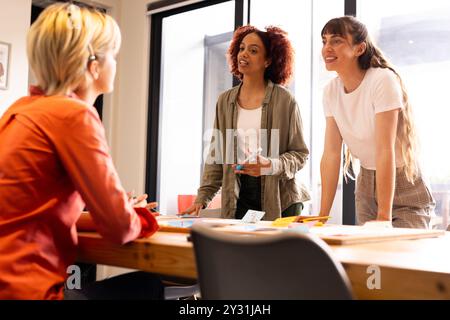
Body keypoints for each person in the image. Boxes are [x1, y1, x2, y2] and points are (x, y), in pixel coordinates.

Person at [0, 3, 162, 299]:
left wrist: (117, 212)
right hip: (25, 291)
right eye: (112, 54)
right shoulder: (74, 115)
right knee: (149, 285)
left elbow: (34, 213)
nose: (116, 62)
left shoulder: (19, 111)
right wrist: (136, 216)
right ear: (93, 64)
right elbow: (120, 229)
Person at [182, 25, 310, 221]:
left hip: (281, 198)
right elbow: (217, 154)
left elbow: (300, 154)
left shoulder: (285, 100)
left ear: (268, 60)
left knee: (273, 251)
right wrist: (202, 198)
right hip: (239, 193)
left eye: (253, 50)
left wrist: (270, 165)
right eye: (241, 48)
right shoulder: (225, 101)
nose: (244, 54)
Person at [318, 16, 435, 228]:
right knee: (371, 260)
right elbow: (331, 154)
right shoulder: (330, 91)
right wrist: (321, 217)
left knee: (399, 258)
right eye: (324, 41)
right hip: (366, 183)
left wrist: (383, 216)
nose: (327, 48)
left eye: (336, 41)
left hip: (402, 181)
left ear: (359, 49)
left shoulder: (382, 80)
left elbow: (384, 150)